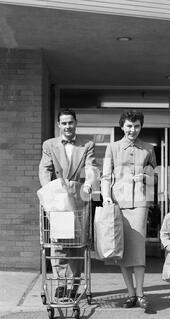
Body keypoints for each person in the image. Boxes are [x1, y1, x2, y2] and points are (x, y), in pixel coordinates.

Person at [39, 108, 98, 297]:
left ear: (76, 123)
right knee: (59, 244)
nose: (67, 126)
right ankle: (60, 283)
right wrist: (51, 193)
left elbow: (90, 167)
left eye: (70, 122)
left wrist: (89, 184)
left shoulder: (87, 144)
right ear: (59, 125)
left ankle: (73, 285)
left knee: (76, 245)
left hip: (78, 198)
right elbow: (44, 169)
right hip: (58, 200)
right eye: (63, 123)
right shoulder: (49, 145)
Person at [101, 110, 157, 311]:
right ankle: (130, 294)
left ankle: (141, 294)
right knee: (122, 250)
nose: (133, 130)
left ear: (141, 127)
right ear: (122, 126)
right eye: (129, 126)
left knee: (138, 248)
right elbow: (106, 176)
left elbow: (155, 178)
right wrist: (106, 196)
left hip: (140, 202)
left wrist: (145, 176)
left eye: (137, 126)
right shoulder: (112, 148)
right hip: (118, 203)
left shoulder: (149, 149)